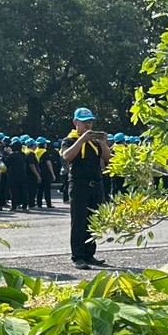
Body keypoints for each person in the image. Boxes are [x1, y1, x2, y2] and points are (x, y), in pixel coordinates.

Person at [62, 107, 112, 269]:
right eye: (84, 122)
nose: (88, 125)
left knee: (93, 221)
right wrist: (81, 140)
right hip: (79, 186)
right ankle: (77, 255)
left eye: (90, 122)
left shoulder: (95, 142)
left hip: (96, 186)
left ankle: (89, 254)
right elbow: (67, 156)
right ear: (75, 122)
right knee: (79, 221)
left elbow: (108, 159)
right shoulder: (70, 140)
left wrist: (103, 144)